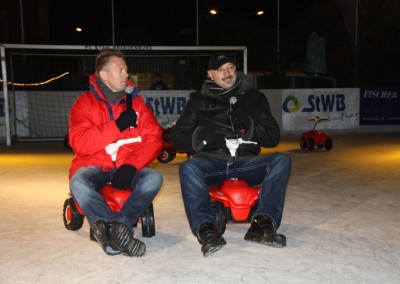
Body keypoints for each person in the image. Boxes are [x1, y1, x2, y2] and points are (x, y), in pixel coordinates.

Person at [170, 52, 292, 257]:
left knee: (281, 160)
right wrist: (203, 135)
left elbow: (272, 137)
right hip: (212, 163)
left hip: (246, 163)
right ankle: (207, 230)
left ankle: (262, 224)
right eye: (220, 69)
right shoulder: (198, 100)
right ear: (210, 74)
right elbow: (177, 139)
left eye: (230, 67)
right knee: (188, 167)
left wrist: (249, 127)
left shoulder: (255, 98)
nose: (227, 73)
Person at [68, 48, 163, 257]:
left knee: (154, 177)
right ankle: (116, 230)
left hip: (127, 165)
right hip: (95, 166)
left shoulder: (137, 103)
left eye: (126, 70)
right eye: (120, 70)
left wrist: (131, 165)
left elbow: (154, 138)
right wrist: (116, 125)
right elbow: (80, 143)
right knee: (78, 182)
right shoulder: (83, 104)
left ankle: (116, 227)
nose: (125, 75)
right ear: (103, 75)